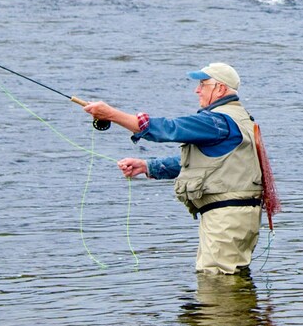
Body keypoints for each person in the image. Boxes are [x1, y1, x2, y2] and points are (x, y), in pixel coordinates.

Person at [81, 63, 263, 275]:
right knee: (230, 279)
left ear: (220, 89)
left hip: (226, 219)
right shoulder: (238, 118)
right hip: (237, 216)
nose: (197, 90)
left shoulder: (217, 121)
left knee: (217, 281)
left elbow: (168, 128)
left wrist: (111, 114)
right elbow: (206, 164)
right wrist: (148, 167)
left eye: (203, 84)